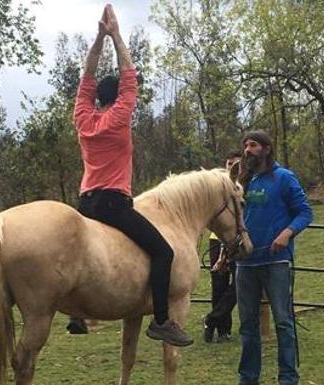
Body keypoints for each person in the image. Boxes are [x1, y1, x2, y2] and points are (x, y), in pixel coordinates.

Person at [67, 4, 192, 347]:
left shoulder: (83, 117)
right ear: (118, 96)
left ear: (94, 97)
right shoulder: (120, 115)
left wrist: (98, 38)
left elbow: (86, 77)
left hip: (85, 203)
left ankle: (77, 312)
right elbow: (129, 74)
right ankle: (163, 321)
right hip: (114, 203)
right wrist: (116, 35)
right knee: (164, 252)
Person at [235, 130, 313, 385]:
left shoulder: (284, 178)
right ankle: (248, 378)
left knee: (283, 321)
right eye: (245, 145)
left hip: (276, 261)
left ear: (267, 149)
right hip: (245, 262)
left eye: (253, 145)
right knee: (247, 325)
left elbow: (304, 212)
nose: (248, 150)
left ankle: (288, 377)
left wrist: (287, 233)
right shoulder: (242, 181)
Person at [203, 151, 242, 343]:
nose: (232, 167)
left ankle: (212, 319)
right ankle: (220, 330)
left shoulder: (241, 189)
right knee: (218, 285)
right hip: (216, 239)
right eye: (229, 163)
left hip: (235, 237)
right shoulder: (217, 189)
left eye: (236, 164)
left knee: (238, 284)